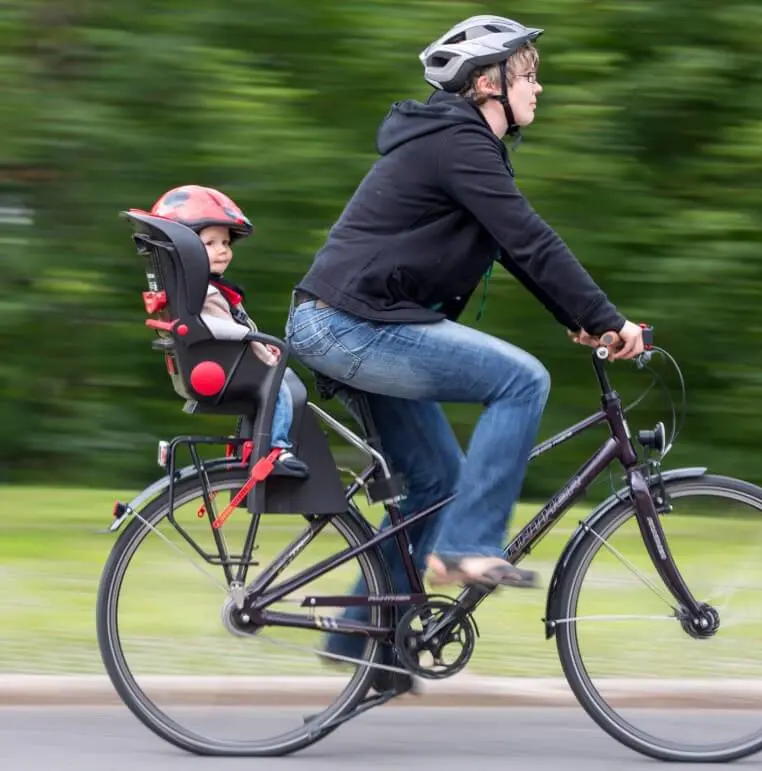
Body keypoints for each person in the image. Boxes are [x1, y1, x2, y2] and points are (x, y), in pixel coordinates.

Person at [284, 15, 645, 682]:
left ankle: (370, 646)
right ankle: (469, 547)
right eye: (529, 74)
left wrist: (584, 319)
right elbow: (531, 237)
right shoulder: (459, 143)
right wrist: (609, 318)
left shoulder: (457, 146)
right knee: (522, 382)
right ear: (487, 83)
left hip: (347, 321)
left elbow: (514, 247)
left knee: (439, 482)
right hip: (350, 325)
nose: (540, 87)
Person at [151, 185, 310, 479]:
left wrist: (261, 345)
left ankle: (256, 446)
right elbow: (215, 326)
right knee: (279, 391)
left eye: (225, 243)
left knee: (281, 380)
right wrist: (254, 340)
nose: (222, 250)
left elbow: (233, 324)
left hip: (230, 362)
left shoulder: (201, 289)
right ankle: (276, 450)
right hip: (227, 367)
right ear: (187, 251)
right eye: (210, 243)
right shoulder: (205, 291)